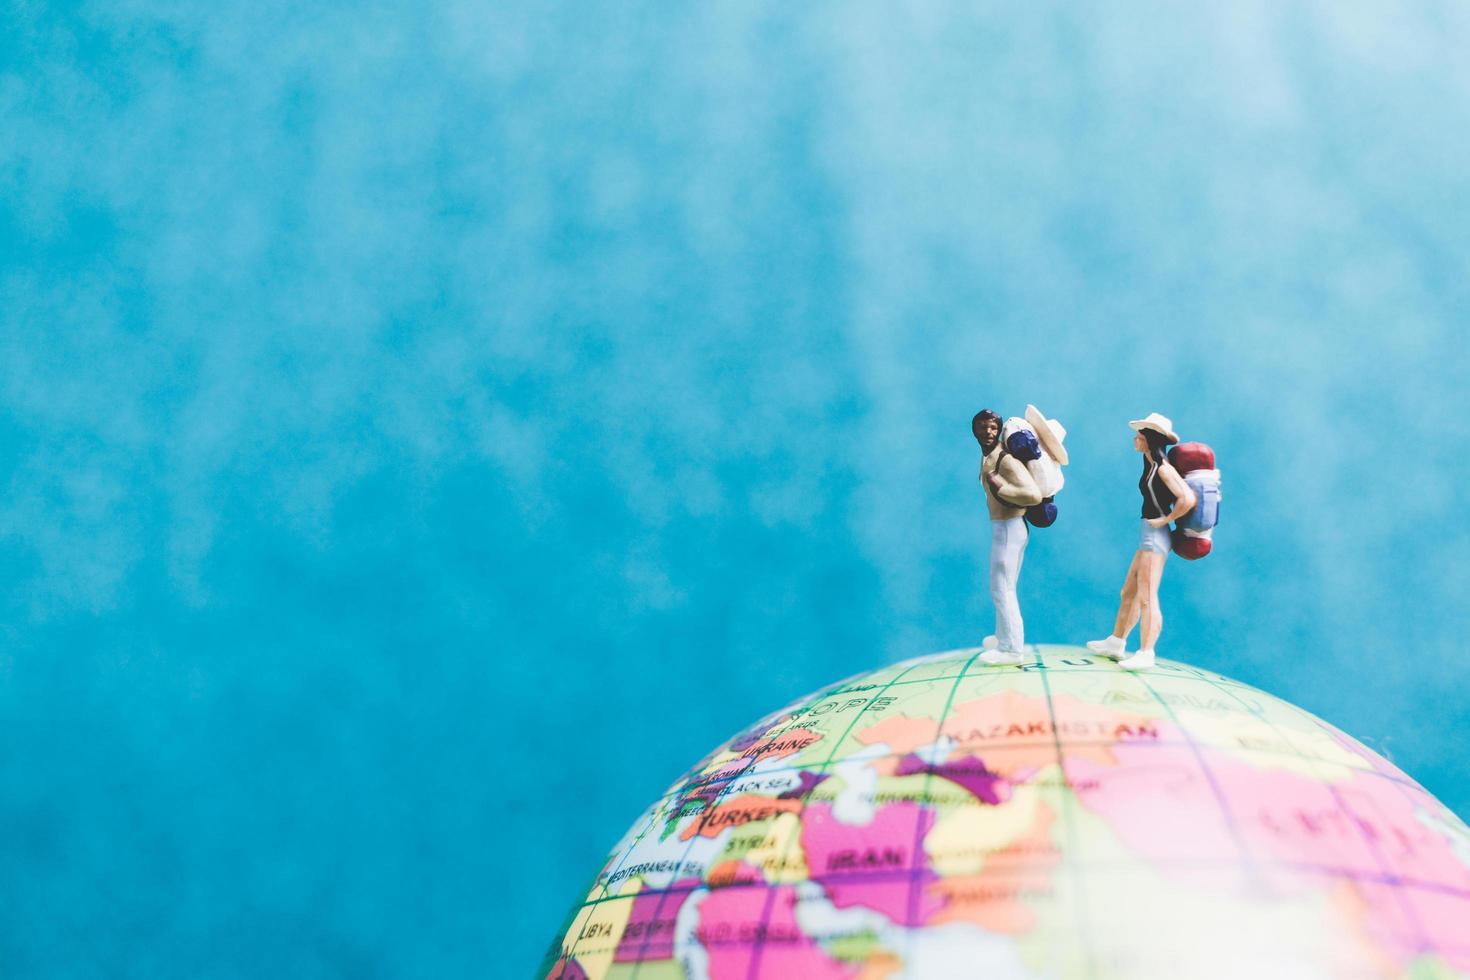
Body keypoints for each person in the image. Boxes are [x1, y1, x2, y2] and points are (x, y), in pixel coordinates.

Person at [1087, 412, 1197, 671]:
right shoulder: (1150, 465)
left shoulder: (1164, 469)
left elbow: (1187, 498)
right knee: (1129, 591)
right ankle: (1116, 642)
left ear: (1150, 440)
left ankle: (1147, 651)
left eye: (1140, 435)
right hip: (1147, 532)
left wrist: (1166, 519)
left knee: (1147, 596)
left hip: (1155, 535)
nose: (1135, 439)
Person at [972, 410, 1043, 666]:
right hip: (1003, 527)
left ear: (999, 429)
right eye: (982, 428)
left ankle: (1012, 648)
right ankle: (1002, 636)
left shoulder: (1005, 460)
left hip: (1010, 527)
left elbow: (1033, 495)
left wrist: (1002, 487)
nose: (988, 432)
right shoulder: (988, 457)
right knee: (1002, 585)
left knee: (1001, 588)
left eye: (992, 428)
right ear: (975, 430)